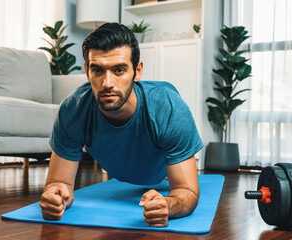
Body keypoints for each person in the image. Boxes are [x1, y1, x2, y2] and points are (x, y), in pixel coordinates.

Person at [40, 22, 203, 227]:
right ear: (87, 71)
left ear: (137, 71)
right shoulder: (73, 110)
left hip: (161, 172)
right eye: (97, 70)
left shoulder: (168, 107)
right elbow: (59, 183)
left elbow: (186, 191)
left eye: (119, 70)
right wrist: (55, 199)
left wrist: (169, 205)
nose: (107, 82)